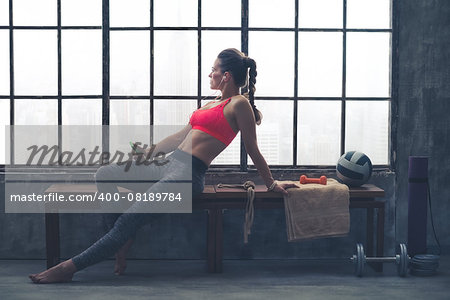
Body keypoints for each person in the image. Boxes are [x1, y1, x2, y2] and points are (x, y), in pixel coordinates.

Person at [29, 48, 299, 283]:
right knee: (105, 172)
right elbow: (178, 137)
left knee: (126, 221)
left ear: (226, 75)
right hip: (167, 164)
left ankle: (68, 268)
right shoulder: (209, 105)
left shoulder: (240, 105)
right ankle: (121, 242)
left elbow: (252, 149)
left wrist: (272, 183)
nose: (210, 75)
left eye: (213, 70)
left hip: (186, 175)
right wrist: (146, 153)